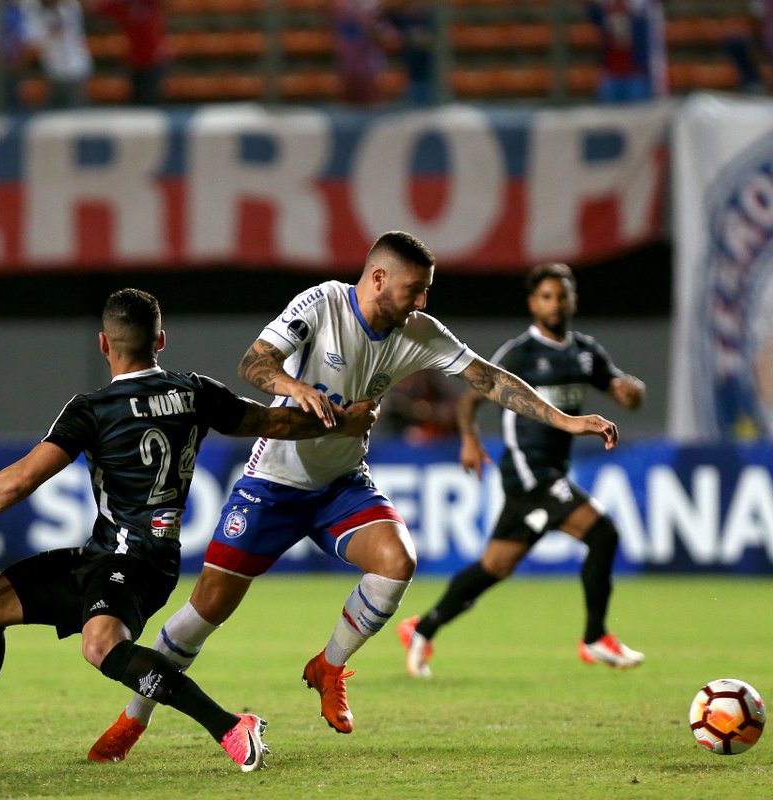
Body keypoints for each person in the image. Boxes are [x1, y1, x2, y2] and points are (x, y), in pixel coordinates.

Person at [88, 232, 619, 761]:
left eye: (426, 291)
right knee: (204, 612)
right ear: (379, 279)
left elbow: (487, 377)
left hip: (341, 483)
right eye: (415, 289)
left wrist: (565, 419)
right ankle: (133, 719)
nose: (422, 302)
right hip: (272, 485)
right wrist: (293, 387)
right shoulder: (321, 305)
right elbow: (254, 362)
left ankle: (330, 666)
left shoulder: (418, 331)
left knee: (397, 561)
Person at [0, 288, 377, 772]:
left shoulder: (93, 409)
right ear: (160, 339)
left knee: (99, 645)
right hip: (119, 556)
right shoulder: (195, 392)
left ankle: (230, 725)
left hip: (131, 561)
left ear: (104, 344)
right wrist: (343, 422)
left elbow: (22, 479)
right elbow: (278, 423)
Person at [397, 262, 646, 678]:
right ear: (533, 303)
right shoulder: (520, 354)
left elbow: (621, 389)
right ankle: (595, 638)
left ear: (573, 300)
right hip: (529, 474)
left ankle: (422, 628)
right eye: (546, 296)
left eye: (562, 295)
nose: (555, 303)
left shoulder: (584, 352)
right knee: (603, 532)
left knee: (495, 566)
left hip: (551, 474)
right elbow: (470, 399)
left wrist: (631, 392)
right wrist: (471, 440)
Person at [586, 0, 667, 103]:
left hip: (636, 75)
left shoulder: (641, 14)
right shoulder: (605, 13)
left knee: (639, 113)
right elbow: (592, 13)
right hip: (611, 75)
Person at [89, 0, 167, 105]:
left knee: (151, 100)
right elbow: (93, 7)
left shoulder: (149, 3)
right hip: (134, 61)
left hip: (154, 60)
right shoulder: (120, 6)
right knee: (137, 101)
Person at [22, 0, 92, 109]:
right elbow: (33, 39)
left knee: (77, 111)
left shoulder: (70, 6)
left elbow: (66, 28)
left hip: (76, 68)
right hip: (52, 70)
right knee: (53, 112)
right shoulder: (36, 11)